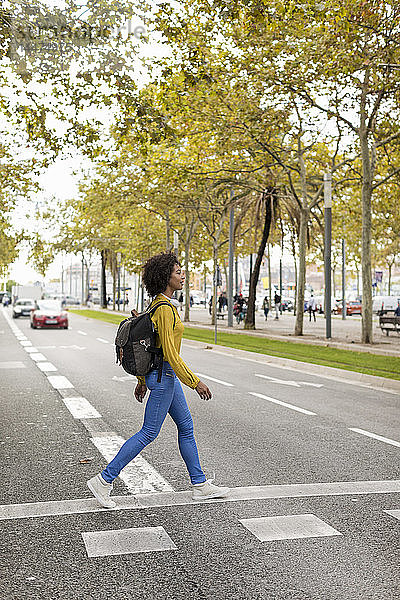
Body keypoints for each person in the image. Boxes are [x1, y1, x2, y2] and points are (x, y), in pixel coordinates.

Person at [87, 252, 229, 508]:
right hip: (165, 377)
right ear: (166, 277)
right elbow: (171, 354)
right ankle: (104, 480)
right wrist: (195, 382)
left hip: (164, 377)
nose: (182, 275)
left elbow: (148, 347)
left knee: (186, 427)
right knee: (148, 433)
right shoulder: (163, 309)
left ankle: (200, 484)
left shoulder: (156, 306)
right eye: (178, 272)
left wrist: (142, 380)